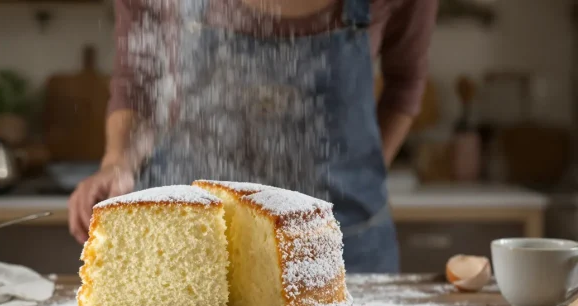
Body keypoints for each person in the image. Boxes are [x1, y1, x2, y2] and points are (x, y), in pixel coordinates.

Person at [69, 0, 438, 273]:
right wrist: (117, 161)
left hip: (343, 246)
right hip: (193, 242)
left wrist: (360, 176)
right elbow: (138, 85)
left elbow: (405, 84)